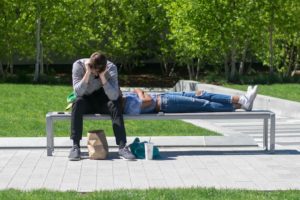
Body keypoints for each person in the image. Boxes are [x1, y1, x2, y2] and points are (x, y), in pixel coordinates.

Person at [69, 51, 135, 161]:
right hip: (86, 99)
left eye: (99, 71)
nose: (96, 74)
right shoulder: (78, 65)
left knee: (115, 104)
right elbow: (78, 93)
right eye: (95, 71)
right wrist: (87, 73)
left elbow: (114, 95)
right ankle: (75, 146)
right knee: (77, 103)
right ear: (90, 65)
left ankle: (122, 146)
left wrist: (103, 77)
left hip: (103, 99)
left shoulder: (111, 68)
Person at [122, 86, 258, 115]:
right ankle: (241, 104)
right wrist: (139, 91)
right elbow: (147, 101)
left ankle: (241, 99)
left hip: (165, 96)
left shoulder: (125, 100)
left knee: (202, 94)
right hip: (166, 103)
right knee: (205, 104)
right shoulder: (128, 106)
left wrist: (139, 92)